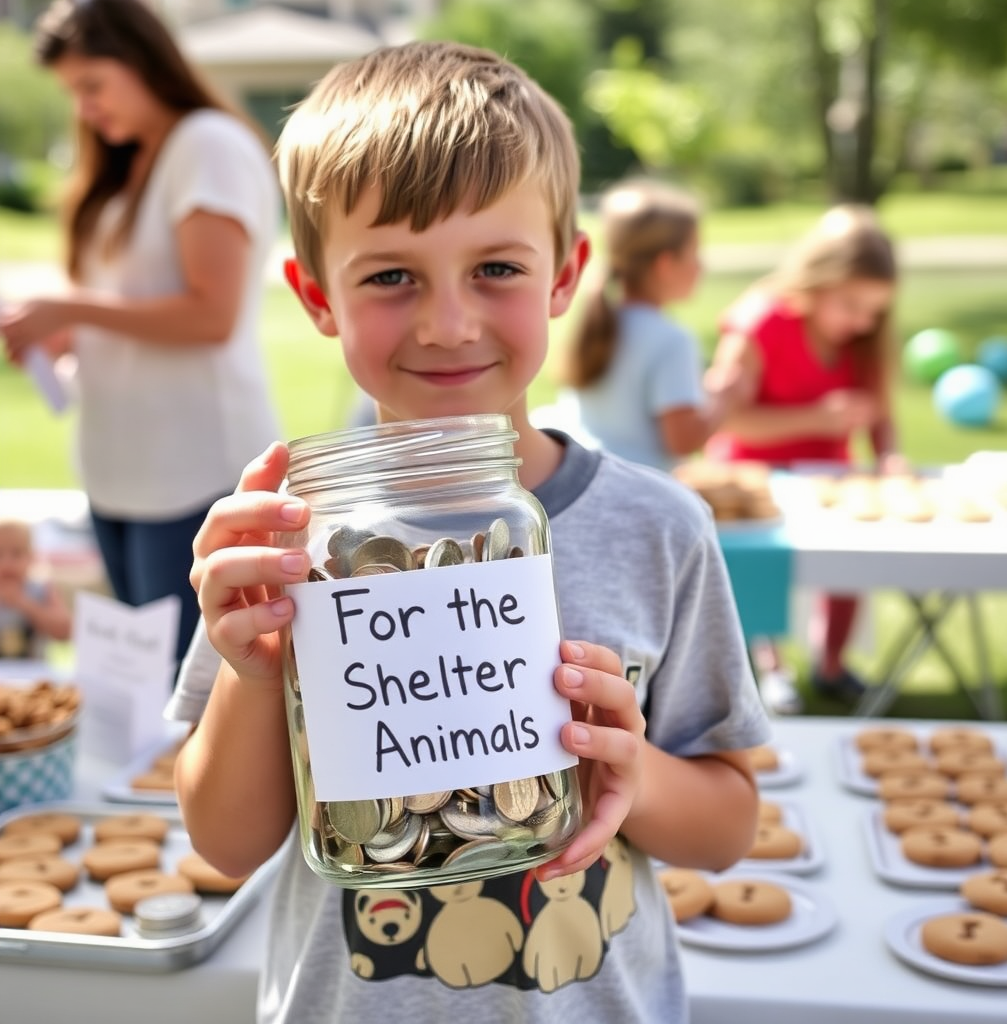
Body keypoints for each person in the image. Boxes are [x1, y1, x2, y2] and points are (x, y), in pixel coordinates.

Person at [168, 41, 770, 1023]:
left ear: (564, 275)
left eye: (495, 267)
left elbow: (726, 824)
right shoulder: (289, 535)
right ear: (318, 295)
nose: (448, 323)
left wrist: (632, 770)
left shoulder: (660, 529)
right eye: (391, 277)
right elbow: (228, 847)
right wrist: (257, 666)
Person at [0, 0, 282, 668]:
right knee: (142, 690)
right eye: (74, 93)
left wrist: (70, 311)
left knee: (187, 694)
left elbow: (211, 314)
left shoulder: (206, 145)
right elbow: (136, 308)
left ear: (141, 59)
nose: (86, 108)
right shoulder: (130, 162)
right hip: (122, 474)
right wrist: (66, 337)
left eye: (92, 85)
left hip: (189, 475)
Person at [705, 204, 901, 715]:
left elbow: (882, 410)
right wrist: (817, 419)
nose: (862, 321)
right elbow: (729, 419)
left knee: (848, 566)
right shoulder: (761, 323)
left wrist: (890, 456)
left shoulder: (867, 338)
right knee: (764, 571)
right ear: (817, 281)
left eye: (873, 311)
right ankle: (772, 667)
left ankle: (831, 663)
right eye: (851, 305)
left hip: (828, 473)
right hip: (752, 476)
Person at [554, 178, 748, 472]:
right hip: (642, 492)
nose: (701, 266)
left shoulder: (597, 321)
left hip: (590, 479)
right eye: (694, 253)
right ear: (665, 264)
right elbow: (682, 441)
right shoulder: (672, 340)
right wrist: (725, 396)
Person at [0, 518, 72, 659]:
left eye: (17, 553)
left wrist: (23, 603)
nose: (7, 563)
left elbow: (65, 632)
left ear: (31, 557)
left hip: (34, 677)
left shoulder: (43, 590)